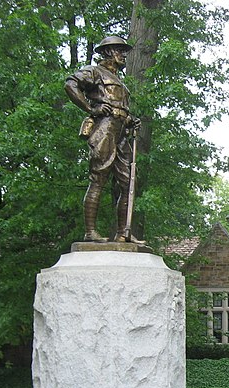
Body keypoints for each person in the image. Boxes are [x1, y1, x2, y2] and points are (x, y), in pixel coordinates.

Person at [65, 35, 140, 242]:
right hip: (104, 128)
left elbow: (119, 106)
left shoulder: (120, 82)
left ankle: (123, 233)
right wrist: (91, 108)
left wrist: (130, 120)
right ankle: (90, 232)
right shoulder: (95, 72)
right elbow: (71, 84)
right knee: (98, 179)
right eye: (119, 50)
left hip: (121, 131)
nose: (124, 55)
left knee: (127, 182)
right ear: (108, 52)